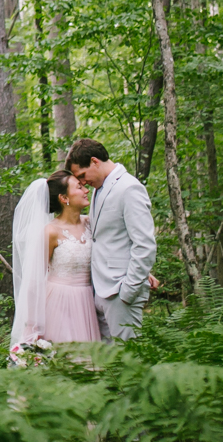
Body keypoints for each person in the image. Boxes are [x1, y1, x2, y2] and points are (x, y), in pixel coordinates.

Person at [66, 138, 156, 341]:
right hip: (100, 290)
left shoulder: (129, 188)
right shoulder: (99, 189)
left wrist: (129, 290)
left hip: (120, 292)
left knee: (128, 361)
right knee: (110, 363)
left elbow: (144, 244)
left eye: (82, 175)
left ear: (95, 161)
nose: (82, 182)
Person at [8, 170, 101, 348]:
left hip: (87, 300)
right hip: (59, 302)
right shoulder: (50, 232)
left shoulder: (90, 223)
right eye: (79, 187)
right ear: (64, 198)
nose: (86, 190)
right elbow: (34, 281)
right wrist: (32, 325)